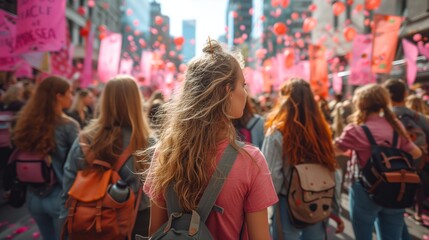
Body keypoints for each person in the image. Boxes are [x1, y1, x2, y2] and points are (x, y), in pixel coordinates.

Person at [144, 39, 278, 239]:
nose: (245, 92)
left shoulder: (164, 153)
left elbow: (155, 231)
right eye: (242, 84)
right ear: (226, 91)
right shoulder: (251, 161)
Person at [61, 76, 155, 239]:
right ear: (137, 102)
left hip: (88, 221)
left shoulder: (85, 138)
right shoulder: (148, 142)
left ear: (104, 101)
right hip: (135, 223)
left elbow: (68, 185)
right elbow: (155, 193)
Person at [334, 84, 422, 240]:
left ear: (360, 103)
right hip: (395, 188)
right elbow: (416, 153)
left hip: (366, 189)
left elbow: (334, 150)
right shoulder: (396, 126)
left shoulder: (356, 130)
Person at [262, 79, 338, 240]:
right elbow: (332, 168)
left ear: (285, 100)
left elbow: (272, 176)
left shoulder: (278, 132)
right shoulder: (322, 130)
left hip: (288, 201)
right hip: (319, 198)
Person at [11, 76, 79, 240]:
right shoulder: (68, 125)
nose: (72, 97)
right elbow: (78, 162)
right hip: (60, 196)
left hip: (33, 196)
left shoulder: (26, 121)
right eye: (69, 93)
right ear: (58, 95)